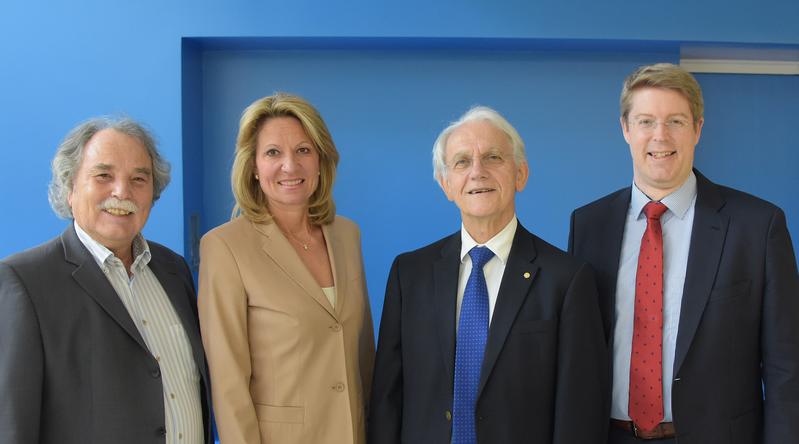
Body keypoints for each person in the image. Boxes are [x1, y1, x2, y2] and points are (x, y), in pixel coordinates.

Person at [569, 63, 799, 444]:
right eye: (645, 121)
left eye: (675, 121)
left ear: (697, 129)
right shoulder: (588, 225)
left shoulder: (758, 227)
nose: (660, 136)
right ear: (625, 129)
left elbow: (786, 368)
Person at [369, 106, 607, 444]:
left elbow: (579, 411)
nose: (477, 172)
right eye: (462, 162)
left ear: (520, 174)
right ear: (446, 184)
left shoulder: (566, 280)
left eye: (493, 157)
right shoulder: (409, 275)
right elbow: (386, 400)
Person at [0, 117, 212, 444]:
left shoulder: (174, 270)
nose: (121, 191)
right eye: (103, 176)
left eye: (139, 178)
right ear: (69, 187)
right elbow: (13, 426)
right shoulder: (24, 281)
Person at [198, 92, 375, 443]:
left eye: (303, 151)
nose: (290, 166)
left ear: (322, 160)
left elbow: (362, 354)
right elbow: (228, 382)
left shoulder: (347, 234)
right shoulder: (225, 247)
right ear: (253, 165)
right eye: (273, 153)